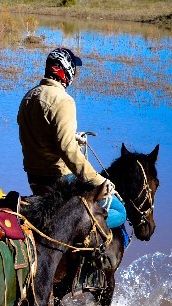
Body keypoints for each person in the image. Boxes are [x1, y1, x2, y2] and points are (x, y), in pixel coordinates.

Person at [17, 47, 112, 197]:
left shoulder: (28, 96)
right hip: (59, 178)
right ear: (67, 70)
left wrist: (73, 137)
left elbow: (40, 136)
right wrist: (98, 181)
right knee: (119, 210)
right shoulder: (63, 100)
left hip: (34, 177)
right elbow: (67, 149)